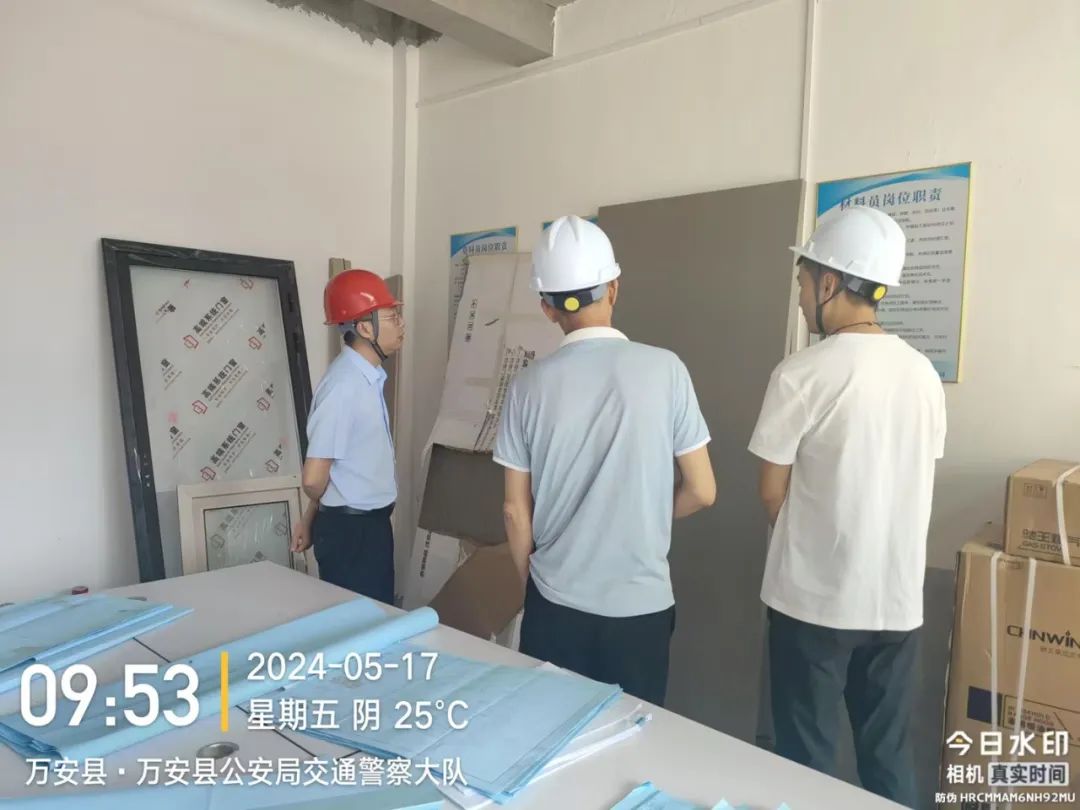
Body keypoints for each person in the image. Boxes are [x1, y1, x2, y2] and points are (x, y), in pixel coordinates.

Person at [748, 206, 946, 807]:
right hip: (895, 603)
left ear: (829, 282)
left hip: (814, 604)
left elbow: (771, 491)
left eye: (803, 281)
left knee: (806, 758)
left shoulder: (801, 373)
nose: (800, 295)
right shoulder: (922, 374)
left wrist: (811, 543)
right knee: (887, 758)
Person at [494, 215, 717, 706]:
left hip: (555, 602)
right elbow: (703, 491)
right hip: (641, 609)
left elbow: (514, 510)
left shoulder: (527, 387)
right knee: (629, 735)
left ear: (547, 307)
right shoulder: (667, 369)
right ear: (613, 287)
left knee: (547, 731)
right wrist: (640, 517)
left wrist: (532, 581)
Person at [291, 269, 404, 603]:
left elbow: (334, 470)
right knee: (360, 624)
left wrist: (310, 517)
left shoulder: (366, 378)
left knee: (374, 618)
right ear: (365, 327)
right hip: (351, 535)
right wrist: (319, 516)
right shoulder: (344, 386)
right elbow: (314, 478)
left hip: (369, 528)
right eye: (392, 317)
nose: (401, 324)